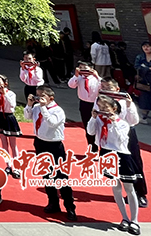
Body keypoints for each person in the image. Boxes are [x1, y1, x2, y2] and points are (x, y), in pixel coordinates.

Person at [88, 95, 141, 234]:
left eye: (105, 107)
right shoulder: (99, 121)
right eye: (100, 107)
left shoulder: (123, 123)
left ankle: (135, 221)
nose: (103, 110)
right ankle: (124, 218)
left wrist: (114, 122)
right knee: (116, 187)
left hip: (121, 155)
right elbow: (90, 132)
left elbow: (122, 139)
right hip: (106, 153)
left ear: (114, 108)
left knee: (129, 188)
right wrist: (93, 118)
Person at [27, 86, 77, 221]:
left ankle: (70, 207)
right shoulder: (37, 107)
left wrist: (43, 108)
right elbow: (27, 116)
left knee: (61, 176)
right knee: (47, 175)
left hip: (54, 145)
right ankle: (53, 202)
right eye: (37, 95)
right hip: (40, 142)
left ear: (51, 98)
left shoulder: (57, 110)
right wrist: (29, 105)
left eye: (42, 96)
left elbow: (52, 123)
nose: (39, 98)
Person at [97, 77, 147, 208]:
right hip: (110, 135)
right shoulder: (101, 101)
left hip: (127, 133)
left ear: (117, 89)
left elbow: (134, 121)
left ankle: (140, 193)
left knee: (135, 162)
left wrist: (129, 106)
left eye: (109, 87)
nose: (107, 90)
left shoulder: (125, 102)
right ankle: (120, 191)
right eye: (104, 87)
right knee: (114, 164)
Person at [0, 74, 21, 179]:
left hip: (8, 117)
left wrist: (4, 93)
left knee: (13, 144)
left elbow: (12, 105)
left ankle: (16, 167)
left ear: (5, 83)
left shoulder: (11, 94)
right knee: (4, 144)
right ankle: (8, 165)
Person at [68, 61, 101, 150]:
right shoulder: (79, 78)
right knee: (88, 126)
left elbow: (102, 86)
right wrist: (76, 75)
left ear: (91, 69)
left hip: (96, 104)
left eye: (85, 68)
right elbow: (71, 85)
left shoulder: (96, 78)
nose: (83, 70)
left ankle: (101, 146)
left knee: (99, 125)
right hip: (84, 104)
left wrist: (96, 76)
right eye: (81, 68)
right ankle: (92, 148)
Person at [135, 42, 151, 124]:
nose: (146, 48)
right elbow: (137, 67)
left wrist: (144, 68)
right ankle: (143, 116)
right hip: (144, 80)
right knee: (145, 99)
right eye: (144, 46)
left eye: (148, 46)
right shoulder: (140, 57)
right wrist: (148, 69)